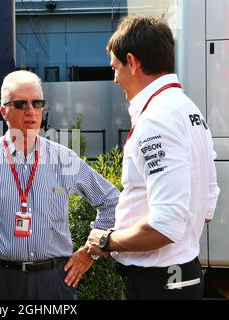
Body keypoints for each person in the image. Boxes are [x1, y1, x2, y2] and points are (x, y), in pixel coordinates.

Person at [86, 15, 220, 300]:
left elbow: (165, 225)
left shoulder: (157, 119)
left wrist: (107, 240)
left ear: (132, 62)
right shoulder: (188, 111)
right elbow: (205, 209)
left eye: (115, 67)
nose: (114, 78)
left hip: (157, 284)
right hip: (180, 276)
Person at [0, 70, 120, 300]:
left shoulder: (63, 159)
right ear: (4, 111)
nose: (30, 111)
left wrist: (90, 252)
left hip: (54, 281)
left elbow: (111, 200)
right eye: (21, 104)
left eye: (37, 103)